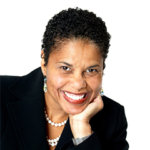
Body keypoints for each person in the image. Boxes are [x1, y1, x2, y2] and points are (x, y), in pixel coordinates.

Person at [0, 8, 129, 150]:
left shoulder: (113, 119)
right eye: (66, 68)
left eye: (91, 70)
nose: (78, 84)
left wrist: (82, 132)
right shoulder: (2, 94)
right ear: (44, 62)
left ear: (102, 69)